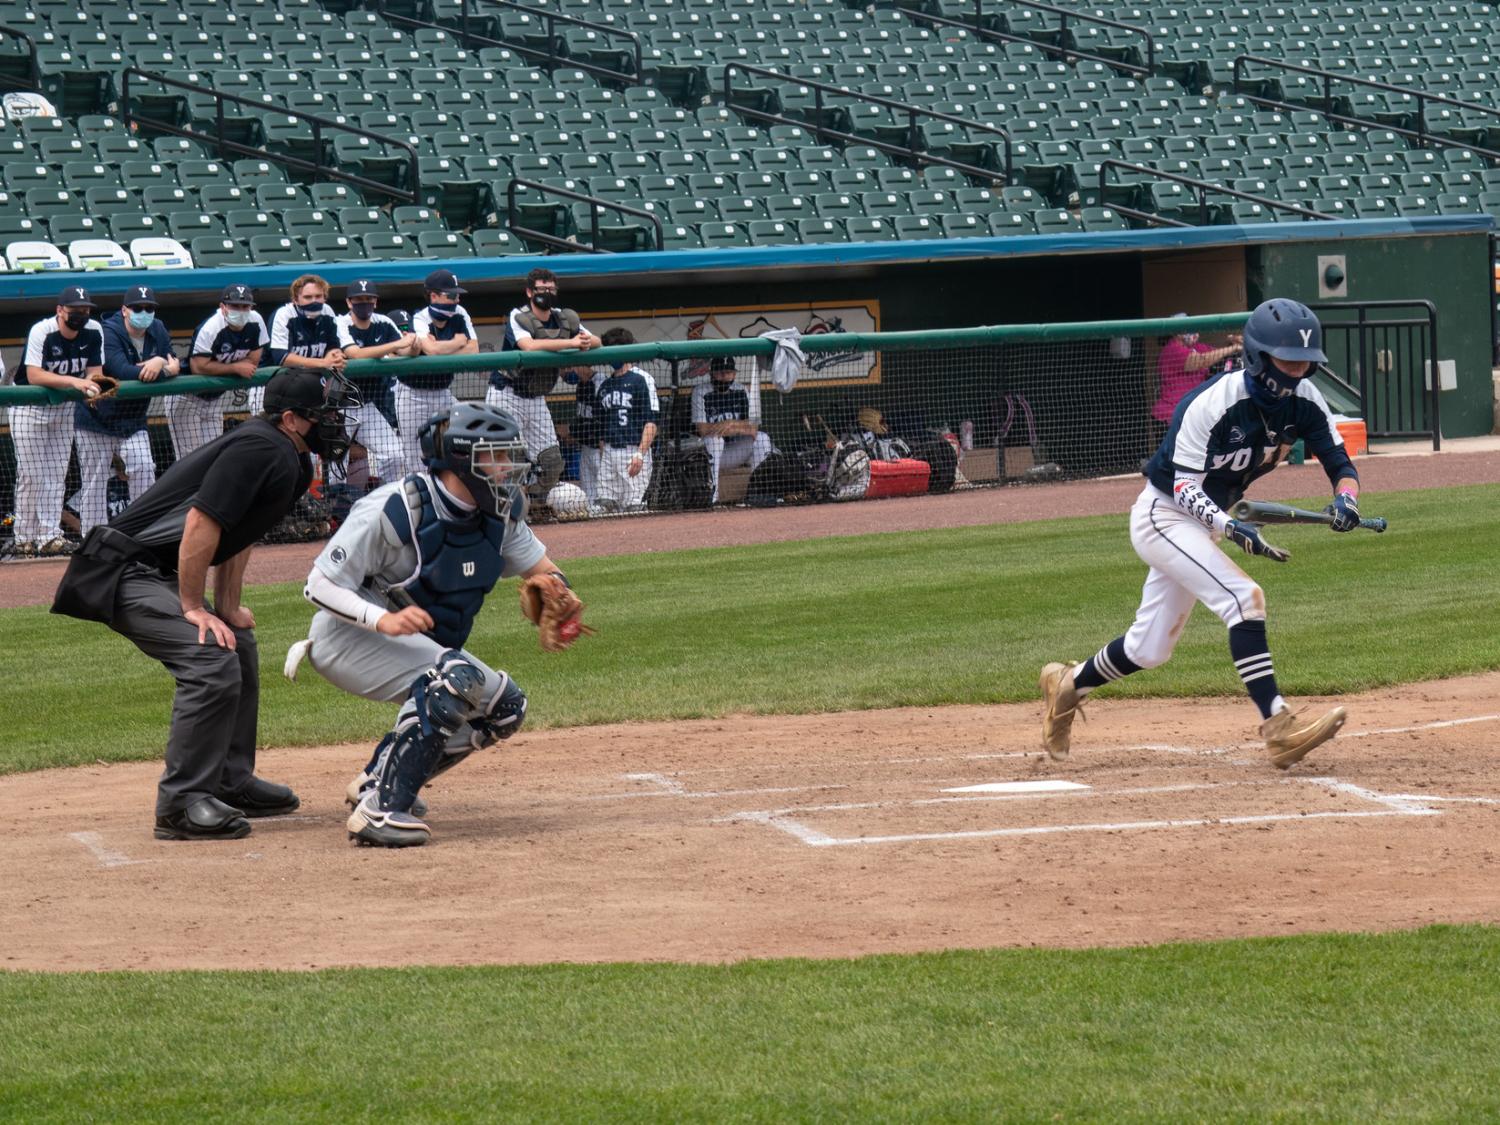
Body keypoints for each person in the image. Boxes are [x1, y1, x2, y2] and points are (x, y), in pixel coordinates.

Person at [1040, 299, 1359, 770]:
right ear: (1257, 356)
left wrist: (1346, 499)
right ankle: (1278, 726)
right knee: (1244, 597)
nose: (1297, 371)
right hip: (1164, 516)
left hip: (1206, 523)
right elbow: (1185, 487)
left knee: (1149, 648)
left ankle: (1068, 684)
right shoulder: (1210, 404)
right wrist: (1232, 528)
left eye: (1305, 362)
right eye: (1287, 360)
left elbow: (1340, 463)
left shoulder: (1306, 401)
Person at [51, 369, 357, 841]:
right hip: (119, 569)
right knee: (209, 655)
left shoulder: (294, 461)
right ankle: (180, 804)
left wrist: (227, 604)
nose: (335, 422)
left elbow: (239, 530)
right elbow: (201, 522)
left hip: (149, 570)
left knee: (238, 640)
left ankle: (229, 782)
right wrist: (195, 606)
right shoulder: (261, 447)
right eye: (325, 414)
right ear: (292, 419)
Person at [286, 403, 576, 848]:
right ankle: (381, 812)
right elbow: (318, 585)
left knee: (504, 708)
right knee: (457, 679)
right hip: (346, 638)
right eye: (495, 456)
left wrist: (559, 591)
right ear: (461, 459)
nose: (507, 467)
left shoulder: (500, 511)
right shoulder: (394, 509)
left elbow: (542, 569)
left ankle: (378, 780)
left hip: (411, 643)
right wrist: (382, 619)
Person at [74, 285, 177, 537]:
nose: (144, 312)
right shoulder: (108, 331)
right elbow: (120, 371)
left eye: (149, 308)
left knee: (143, 468)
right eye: (138, 308)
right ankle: (92, 542)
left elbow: (176, 362)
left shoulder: (158, 329)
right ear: (124, 310)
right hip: (96, 418)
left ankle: (144, 535)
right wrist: (161, 366)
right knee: (95, 484)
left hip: (133, 417)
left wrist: (159, 361)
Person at [491, 267, 599, 505]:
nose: (547, 293)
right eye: (542, 289)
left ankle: (530, 499)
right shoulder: (518, 315)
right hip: (507, 393)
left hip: (536, 396)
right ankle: (510, 509)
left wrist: (580, 341)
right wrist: (570, 342)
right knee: (509, 459)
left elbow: (596, 340)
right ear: (530, 292)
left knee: (552, 462)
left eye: (551, 288)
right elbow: (527, 346)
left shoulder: (563, 316)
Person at [14, 285, 105, 556]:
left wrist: (91, 386)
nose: (81, 315)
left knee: (56, 473)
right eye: (75, 311)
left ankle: (49, 536)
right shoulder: (42, 331)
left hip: (64, 407)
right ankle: (23, 539)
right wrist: (75, 382)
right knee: (31, 474)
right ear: (60, 311)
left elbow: (95, 371)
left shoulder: (94, 331)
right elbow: (34, 375)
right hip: (29, 406)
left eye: (86, 310)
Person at [396, 268, 476, 474]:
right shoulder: (420, 318)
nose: (456, 299)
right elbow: (430, 352)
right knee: (415, 458)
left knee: (464, 435)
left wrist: (442, 347)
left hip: (443, 392)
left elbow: (473, 350)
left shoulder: (460, 313)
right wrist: (458, 342)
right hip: (413, 394)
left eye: (457, 295)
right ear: (433, 295)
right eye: (451, 295)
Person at [337, 278, 416, 487]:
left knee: (394, 454)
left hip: (367, 404)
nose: (364, 303)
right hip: (338, 404)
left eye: (369, 299)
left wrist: (415, 344)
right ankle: (332, 512)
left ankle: (385, 497)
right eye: (359, 299)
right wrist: (397, 344)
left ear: (376, 302)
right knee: (336, 462)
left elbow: (405, 350)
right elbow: (355, 354)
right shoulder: (341, 323)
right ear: (349, 302)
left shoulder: (383, 322)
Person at [175, 283, 267, 458]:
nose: (240, 310)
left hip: (215, 398)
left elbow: (253, 360)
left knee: (215, 455)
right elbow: (198, 367)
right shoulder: (211, 327)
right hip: (186, 396)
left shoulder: (256, 321)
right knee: (189, 458)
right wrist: (234, 367)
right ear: (223, 307)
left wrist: (231, 367)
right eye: (234, 306)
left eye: (245, 306)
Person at [594, 327, 659, 512]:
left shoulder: (642, 379)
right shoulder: (605, 385)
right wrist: (604, 454)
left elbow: (651, 421)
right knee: (603, 506)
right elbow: (602, 426)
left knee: (634, 507)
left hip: (633, 451)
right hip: (609, 452)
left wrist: (640, 454)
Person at [692, 355, 774, 503]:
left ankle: (759, 492)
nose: (724, 377)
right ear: (711, 374)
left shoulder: (741, 390)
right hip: (710, 454)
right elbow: (703, 430)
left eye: (728, 373)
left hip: (735, 451)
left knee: (762, 438)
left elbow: (754, 427)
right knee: (714, 441)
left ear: (734, 374)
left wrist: (731, 424)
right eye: (720, 373)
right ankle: (712, 497)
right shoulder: (701, 391)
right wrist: (742, 427)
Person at [1151, 314, 1243, 431]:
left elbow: (1216, 356)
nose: (1193, 332)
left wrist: (1231, 341)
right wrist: (1233, 348)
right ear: (1177, 333)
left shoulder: (1197, 347)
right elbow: (1201, 361)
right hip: (1170, 415)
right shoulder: (1172, 349)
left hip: (1190, 413)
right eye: (1188, 329)